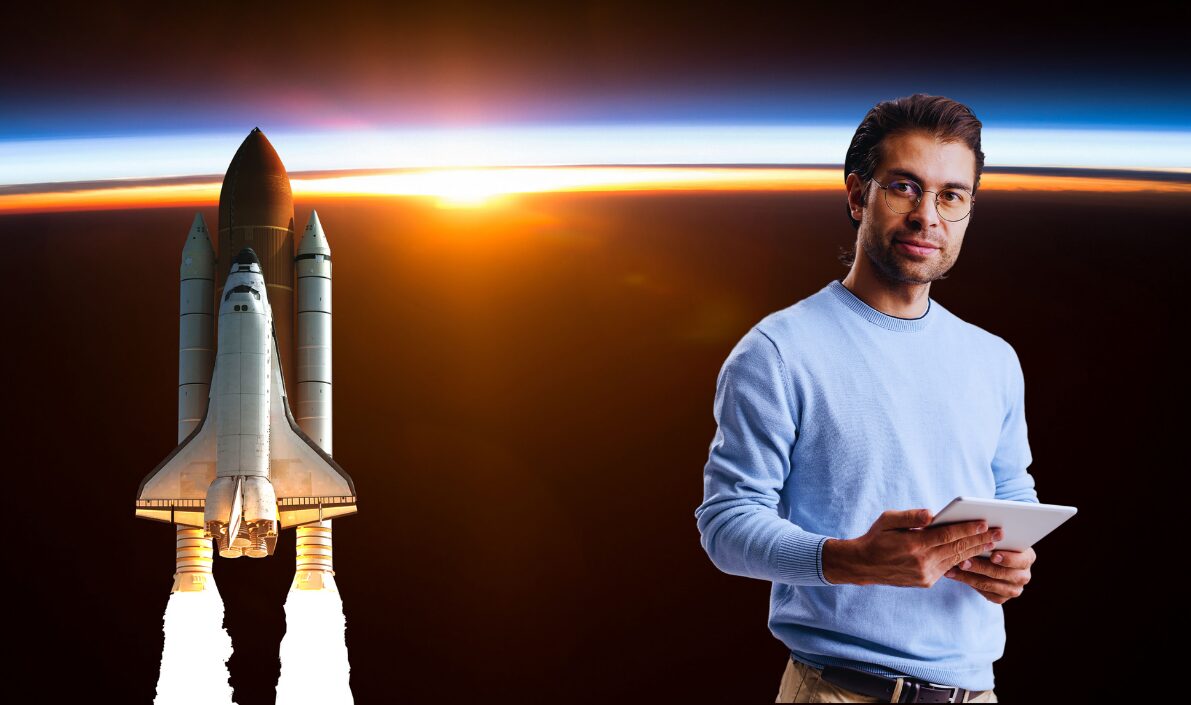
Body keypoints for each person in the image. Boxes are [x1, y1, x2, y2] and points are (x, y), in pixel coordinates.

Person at [694, 94, 1039, 703]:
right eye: (905, 187)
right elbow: (725, 525)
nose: (927, 215)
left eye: (950, 195)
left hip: (975, 692)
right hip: (838, 690)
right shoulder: (777, 351)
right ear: (858, 195)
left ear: (967, 211)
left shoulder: (994, 359)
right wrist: (852, 560)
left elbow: (1013, 493)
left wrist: (1015, 558)